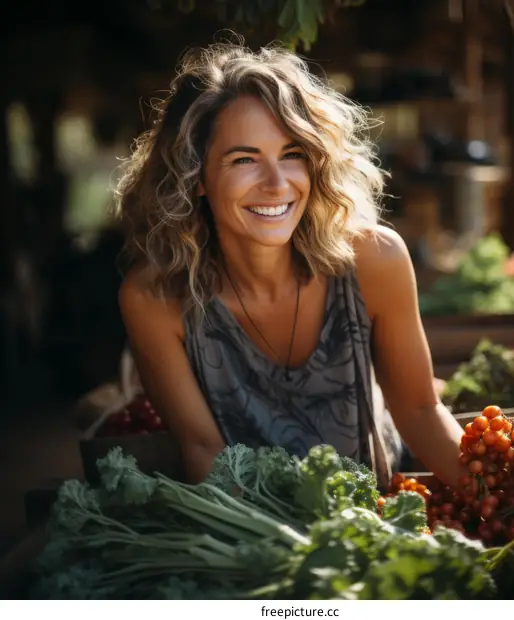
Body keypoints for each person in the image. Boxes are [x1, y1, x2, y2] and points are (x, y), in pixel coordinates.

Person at [114, 40, 464, 490]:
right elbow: (202, 449)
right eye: (245, 160)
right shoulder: (154, 297)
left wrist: (501, 508)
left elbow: (420, 411)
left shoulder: (375, 260)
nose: (277, 185)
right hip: (255, 519)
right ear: (195, 177)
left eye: (292, 154)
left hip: (378, 506)